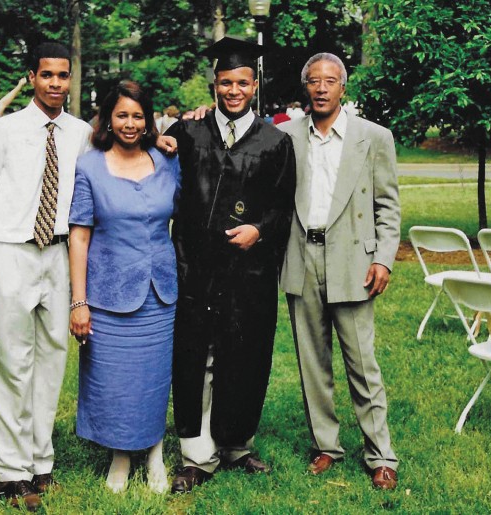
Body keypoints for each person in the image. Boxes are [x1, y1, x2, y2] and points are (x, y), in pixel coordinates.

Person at [0, 42, 93, 512]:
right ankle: (9, 471)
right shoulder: (3, 132)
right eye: (47, 74)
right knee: (12, 365)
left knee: (51, 364)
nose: (56, 83)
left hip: (59, 256)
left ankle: (40, 462)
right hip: (9, 252)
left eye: (63, 75)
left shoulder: (80, 133)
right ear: (32, 76)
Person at [164, 37, 296, 493]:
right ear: (214, 85)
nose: (233, 91)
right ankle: (197, 454)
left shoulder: (276, 141)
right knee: (196, 357)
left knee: (246, 355)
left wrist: (259, 230)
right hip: (196, 266)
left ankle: (237, 442)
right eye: (225, 83)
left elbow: (284, 207)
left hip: (250, 271)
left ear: (254, 85)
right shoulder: (189, 133)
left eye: (242, 82)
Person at [276, 52, 401, 490]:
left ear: (343, 88)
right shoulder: (284, 136)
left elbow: (387, 206)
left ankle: (381, 454)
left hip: (354, 261)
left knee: (363, 364)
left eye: (331, 80)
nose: (322, 87)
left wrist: (383, 257)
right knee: (313, 363)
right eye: (314, 80)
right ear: (305, 87)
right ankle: (327, 445)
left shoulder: (374, 137)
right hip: (301, 258)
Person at [68, 80, 181, 494]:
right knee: (113, 379)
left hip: (160, 292)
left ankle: (153, 452)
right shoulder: (90, 166)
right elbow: (79, 236)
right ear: (108, 120)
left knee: (153, 378)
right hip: (108, 293)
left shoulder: (167, 159)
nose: (130, 124)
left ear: (148, 119)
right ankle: (119, 455)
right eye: (122, 115)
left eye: (138, 115)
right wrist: (78, 301)